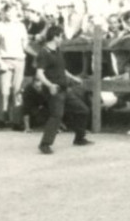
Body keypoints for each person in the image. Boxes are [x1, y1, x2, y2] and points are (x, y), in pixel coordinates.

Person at [32, 22, 92, 154]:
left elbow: (62, 69)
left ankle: (79, 138)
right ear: (55, 37)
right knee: (56, 116)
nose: (62, 39)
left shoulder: (57, 51)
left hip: (64, 88)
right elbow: (39, 73)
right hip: (54, 90)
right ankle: (45, 144)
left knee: (83, 110)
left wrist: (74, 78)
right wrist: (50, 85)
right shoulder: (44, 52)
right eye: (61, 36)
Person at [0, 3, 30, 131]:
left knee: (17, 91)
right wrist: (0, 62)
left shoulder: (21, 26)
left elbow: (25, 44)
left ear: (16, 12)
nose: (10, 14)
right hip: (5, 60)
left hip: (19, 60)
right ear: (4, 13)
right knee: (4, 91)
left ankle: (17, 122)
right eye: (8, 12)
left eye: (13, 11)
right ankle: (2, 119)